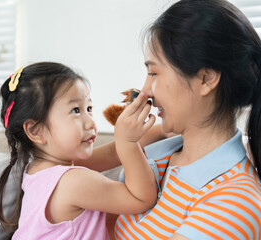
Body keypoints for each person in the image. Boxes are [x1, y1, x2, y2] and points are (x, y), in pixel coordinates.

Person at [83, 0, 261, 239]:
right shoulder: (159, 155)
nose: (145, 91)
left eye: (154, 73)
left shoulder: (237, 202)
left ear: (206, 79)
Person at [0, 62, 166, 239]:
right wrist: (128, 143)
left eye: (89, 109)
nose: (91, 122)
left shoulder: (39, 170)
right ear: (36, 130)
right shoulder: (72, 181)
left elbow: (114, 152)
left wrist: (164, 130)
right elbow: (141, 199)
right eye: (75, 110)